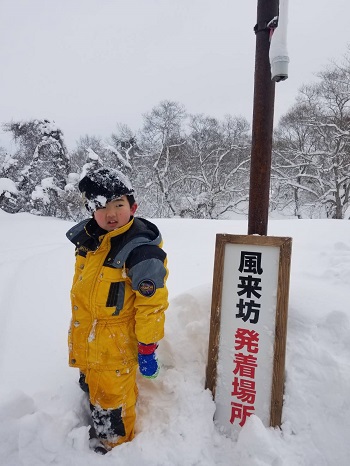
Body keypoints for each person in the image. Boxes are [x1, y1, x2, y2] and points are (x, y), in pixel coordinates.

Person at [66, 167, 169, 454]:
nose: (110, 214)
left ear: (133, 207)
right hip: (89, 340)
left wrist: (147, 346)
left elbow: (152, 304)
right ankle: (94, 408)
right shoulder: (91, 241)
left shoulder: (140, 250)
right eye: (101, 207)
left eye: (118, 205)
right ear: (91, 209)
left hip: (115, 347)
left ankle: (115, 448)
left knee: (112, 403)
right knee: (94, 389)